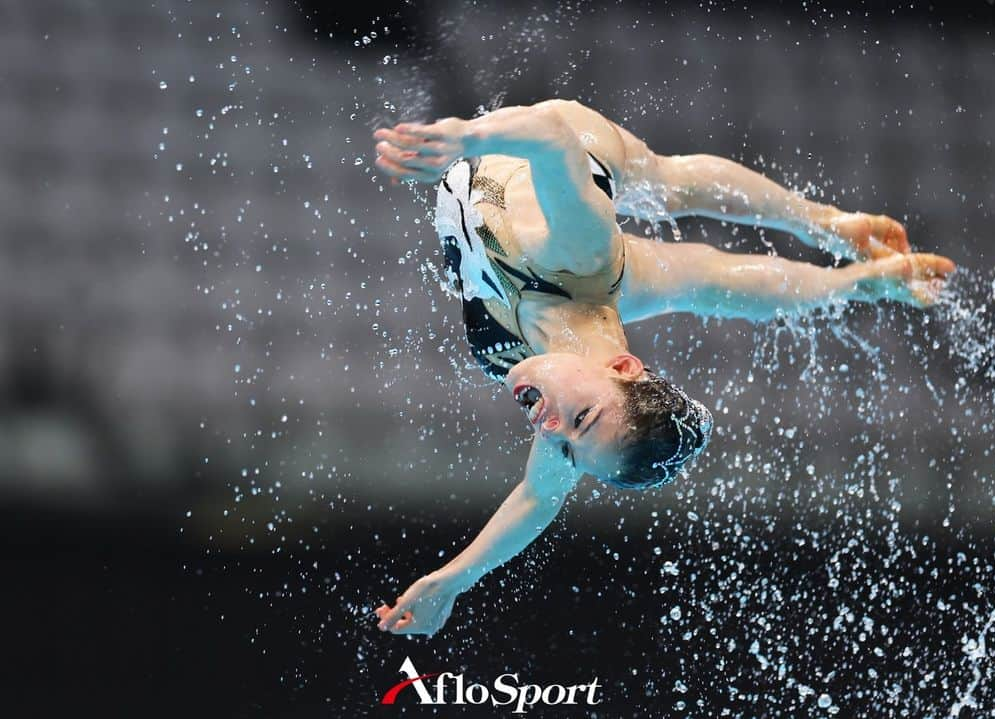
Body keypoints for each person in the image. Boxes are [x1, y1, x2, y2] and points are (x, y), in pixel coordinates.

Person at [370, 99, 955, 636]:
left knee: (707, 281)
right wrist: (467, 137)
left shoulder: (570, 399)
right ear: (624, 366)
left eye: (568, 449)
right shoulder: (579, 252)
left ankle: (859, 282)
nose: (550, 431)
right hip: (568, 156)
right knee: (668, 186)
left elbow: (538, 499)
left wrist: (450, 582)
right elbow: (549, 137)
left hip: (587, 298)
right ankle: (822, 220)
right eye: (581, 420)